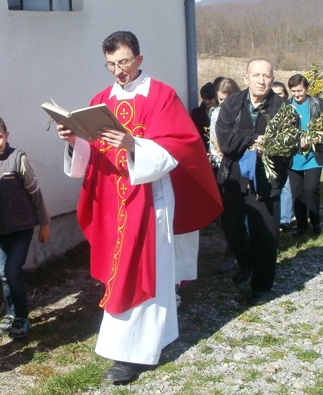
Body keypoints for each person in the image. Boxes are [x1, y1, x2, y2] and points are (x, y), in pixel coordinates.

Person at [55, 31, 222, 383]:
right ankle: (136, 344)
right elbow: (91, 152)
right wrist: (74, 141)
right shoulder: (102, 99)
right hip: (114, 201)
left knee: (145, 271)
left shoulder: (161, 96)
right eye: (111, 64)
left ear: (140, 59)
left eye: (124, 62)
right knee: (120, 271)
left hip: (150, 198)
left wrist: (134, 145)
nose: (118, 71)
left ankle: (135, 353)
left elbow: (179, 148)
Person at [215, 58, 295, 305]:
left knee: (266, 235)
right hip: (235, 178)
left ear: (272, 79)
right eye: (257, 75)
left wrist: (268, 145)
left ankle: (261, 287)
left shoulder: (282, 108)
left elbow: (288, 143)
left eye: (267, 76)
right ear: (246, 77)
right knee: (231, 226)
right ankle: (247, 263)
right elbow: (225, 140)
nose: (262, 80)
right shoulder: (233, 103)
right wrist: (254, 138)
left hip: (267, 179)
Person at [0, 115, 51, 338]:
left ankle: (21, 316)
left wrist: (44, 223)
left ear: (6, 136)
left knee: (12, 271)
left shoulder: (18, 158)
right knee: (4, 274)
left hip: (22, 227)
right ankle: (10, 312)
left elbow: (34, 191)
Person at [287, 73, 323, 236]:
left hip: (313, 155)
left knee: (311, 189)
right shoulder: (287, 106)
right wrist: (297, 142)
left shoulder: (317, 104)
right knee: (297, 192)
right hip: (294, 157)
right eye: (293, 91)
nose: (296, 94)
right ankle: (302, 225)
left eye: (299, 91)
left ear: (307, 89)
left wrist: (319, 138)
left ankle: (316, 221)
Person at [208, 77, 241, 272]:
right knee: (228, 213)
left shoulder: (245, 112)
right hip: (225, 166)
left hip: (244, 166)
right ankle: (231, 250)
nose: (224, 103)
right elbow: (214, 141)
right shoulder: (216, 114)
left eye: (227, 99)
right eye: (220, 99)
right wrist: (221, 160)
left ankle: (242, 250)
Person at [272, 81, 294, 232]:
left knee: (286, 187)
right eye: (274, 94)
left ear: (285, 94)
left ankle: (284, 220)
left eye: (280, 93)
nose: (277, 96)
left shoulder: (290, 110)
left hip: (285, 155)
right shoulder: (268, 110)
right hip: (270, 155)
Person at [189, 81, 217, 150]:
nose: (207, 102)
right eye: (204, 99)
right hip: (204, 150)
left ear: (216, 97)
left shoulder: (224, 111)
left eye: (210, 99)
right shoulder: (196, 113)